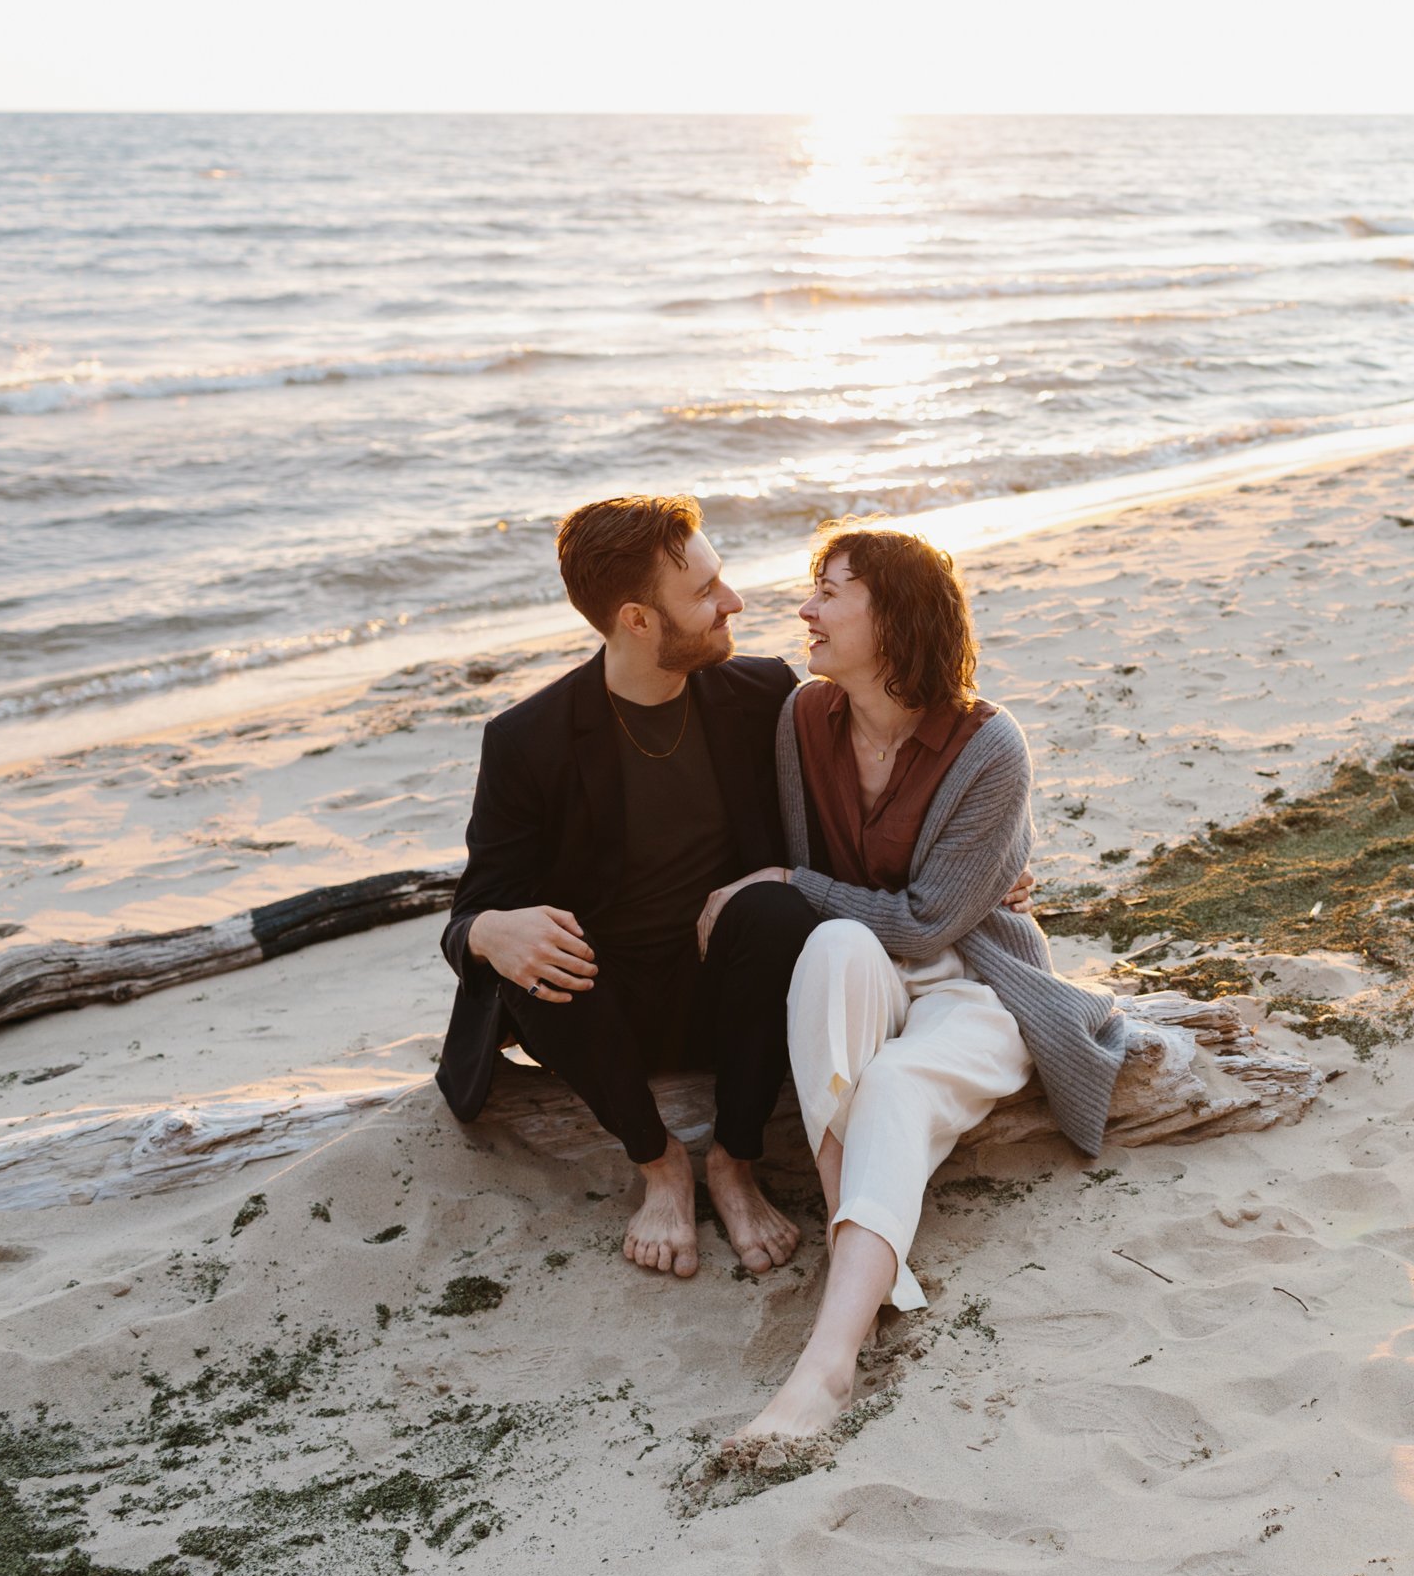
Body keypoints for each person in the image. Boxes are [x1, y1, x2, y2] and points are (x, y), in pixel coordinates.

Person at [437, 495, 1035, 1280]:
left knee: (776, 906)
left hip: (739, 997)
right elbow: (474, 907)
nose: (735, 602)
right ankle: (658, 1165)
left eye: (722, 578)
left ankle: (733, 1158)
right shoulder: (527, 740)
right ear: (638, 620)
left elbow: (860, 816)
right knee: (536, 945)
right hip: (602, 1007)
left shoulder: (762, 696)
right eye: (705, 592)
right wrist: (487, 933)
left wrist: (986, 872)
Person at [716, 522, 1133, 1447]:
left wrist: (788, 885)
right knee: (826, 950)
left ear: (895, 616)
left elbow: (925, 920)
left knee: (896, 1082)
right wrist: (799, 885)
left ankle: (828, 1359)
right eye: (811, 588)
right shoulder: (803, 720)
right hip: (863, 966)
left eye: (831, 590)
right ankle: (865, 1269)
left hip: (975, 977)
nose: (806, 609)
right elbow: (825, 879)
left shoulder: (990, 747)